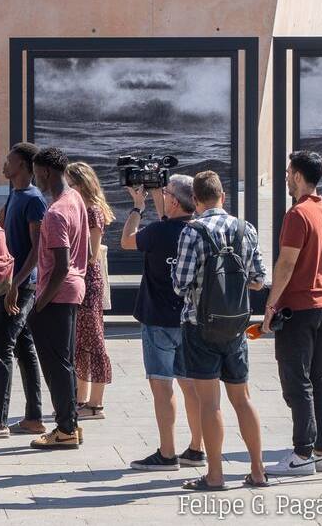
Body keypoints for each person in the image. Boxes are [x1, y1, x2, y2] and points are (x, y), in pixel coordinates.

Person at [172, 170, 268, 490]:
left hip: (200, 327)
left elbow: (180, 285)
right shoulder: (246, 229)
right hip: (237, 327)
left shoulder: (192, 232)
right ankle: (257, 471)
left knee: (210, 403)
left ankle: (215, 475)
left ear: (196, 201)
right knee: (242, 399)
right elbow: (258, 279)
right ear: (223, 197)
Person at [262, 151, 322, 476]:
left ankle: (302, 453)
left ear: (297, 176)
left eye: (287, 171)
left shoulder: (298, 215)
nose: (285, 176)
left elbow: (286, 263)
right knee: (321, 380)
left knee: (298, 382)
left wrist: (270, 306)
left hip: (299, 307)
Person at [120, 174, 206, 471]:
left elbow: (127, 241)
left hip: (158, 319)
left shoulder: (157, 232)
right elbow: (170, 221)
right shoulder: (198, 231)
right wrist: (161, 194)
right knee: (190, 385)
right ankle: (197, 448)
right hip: (189, 319)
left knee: (162, 386)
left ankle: (167, 453)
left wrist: (136, 207)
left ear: (172, 200)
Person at [0, 143, 44, 439]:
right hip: (11, 282)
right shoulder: (16, 195)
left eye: (9, 160)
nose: (4, 164)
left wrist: (16, 284)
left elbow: (38, 250)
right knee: (24, 348)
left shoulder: (34, 200)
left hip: (21, 285)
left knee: (1, 347)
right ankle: (34, 418)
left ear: (25, 167)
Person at [25, 148, 88, 450]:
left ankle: (64, 429)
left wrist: (38, 305)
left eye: (36, 173)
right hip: (73, 290)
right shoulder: (76, 198)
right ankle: (70, 424)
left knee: (56, 364)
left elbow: (60, 266)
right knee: (65, 361)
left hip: (57, 294)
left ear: (47, 173)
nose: (35, 179)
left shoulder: (55, 213)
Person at [64, 162, 114, 420]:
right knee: (80, 342)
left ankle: (96, 404)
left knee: (94, 341)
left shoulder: (91, 211)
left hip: (89, 282)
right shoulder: (81, 208)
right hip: (82, 279)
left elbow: (93, 253)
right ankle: (80, 399)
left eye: (69, 183)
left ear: (80, 184)